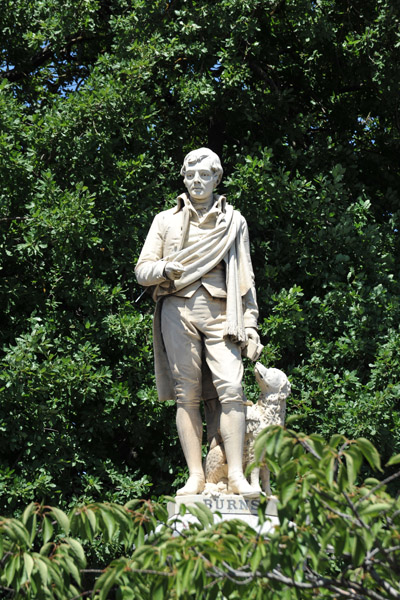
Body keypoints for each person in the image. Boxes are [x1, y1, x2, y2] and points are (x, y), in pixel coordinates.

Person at [135, 148, 260, 498]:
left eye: (204, 175)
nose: (196, 181)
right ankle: (196, 477)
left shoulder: (234, 221)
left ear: (217, 179)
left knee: (232, 389)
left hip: (224, 314)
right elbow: (142, 270)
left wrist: (250, 326)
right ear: (184, 178)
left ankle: (235, 473)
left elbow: (246, 279)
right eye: (191, 175)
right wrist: (163, 269)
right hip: (178, 310)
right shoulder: (165, 220)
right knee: (185, 395)